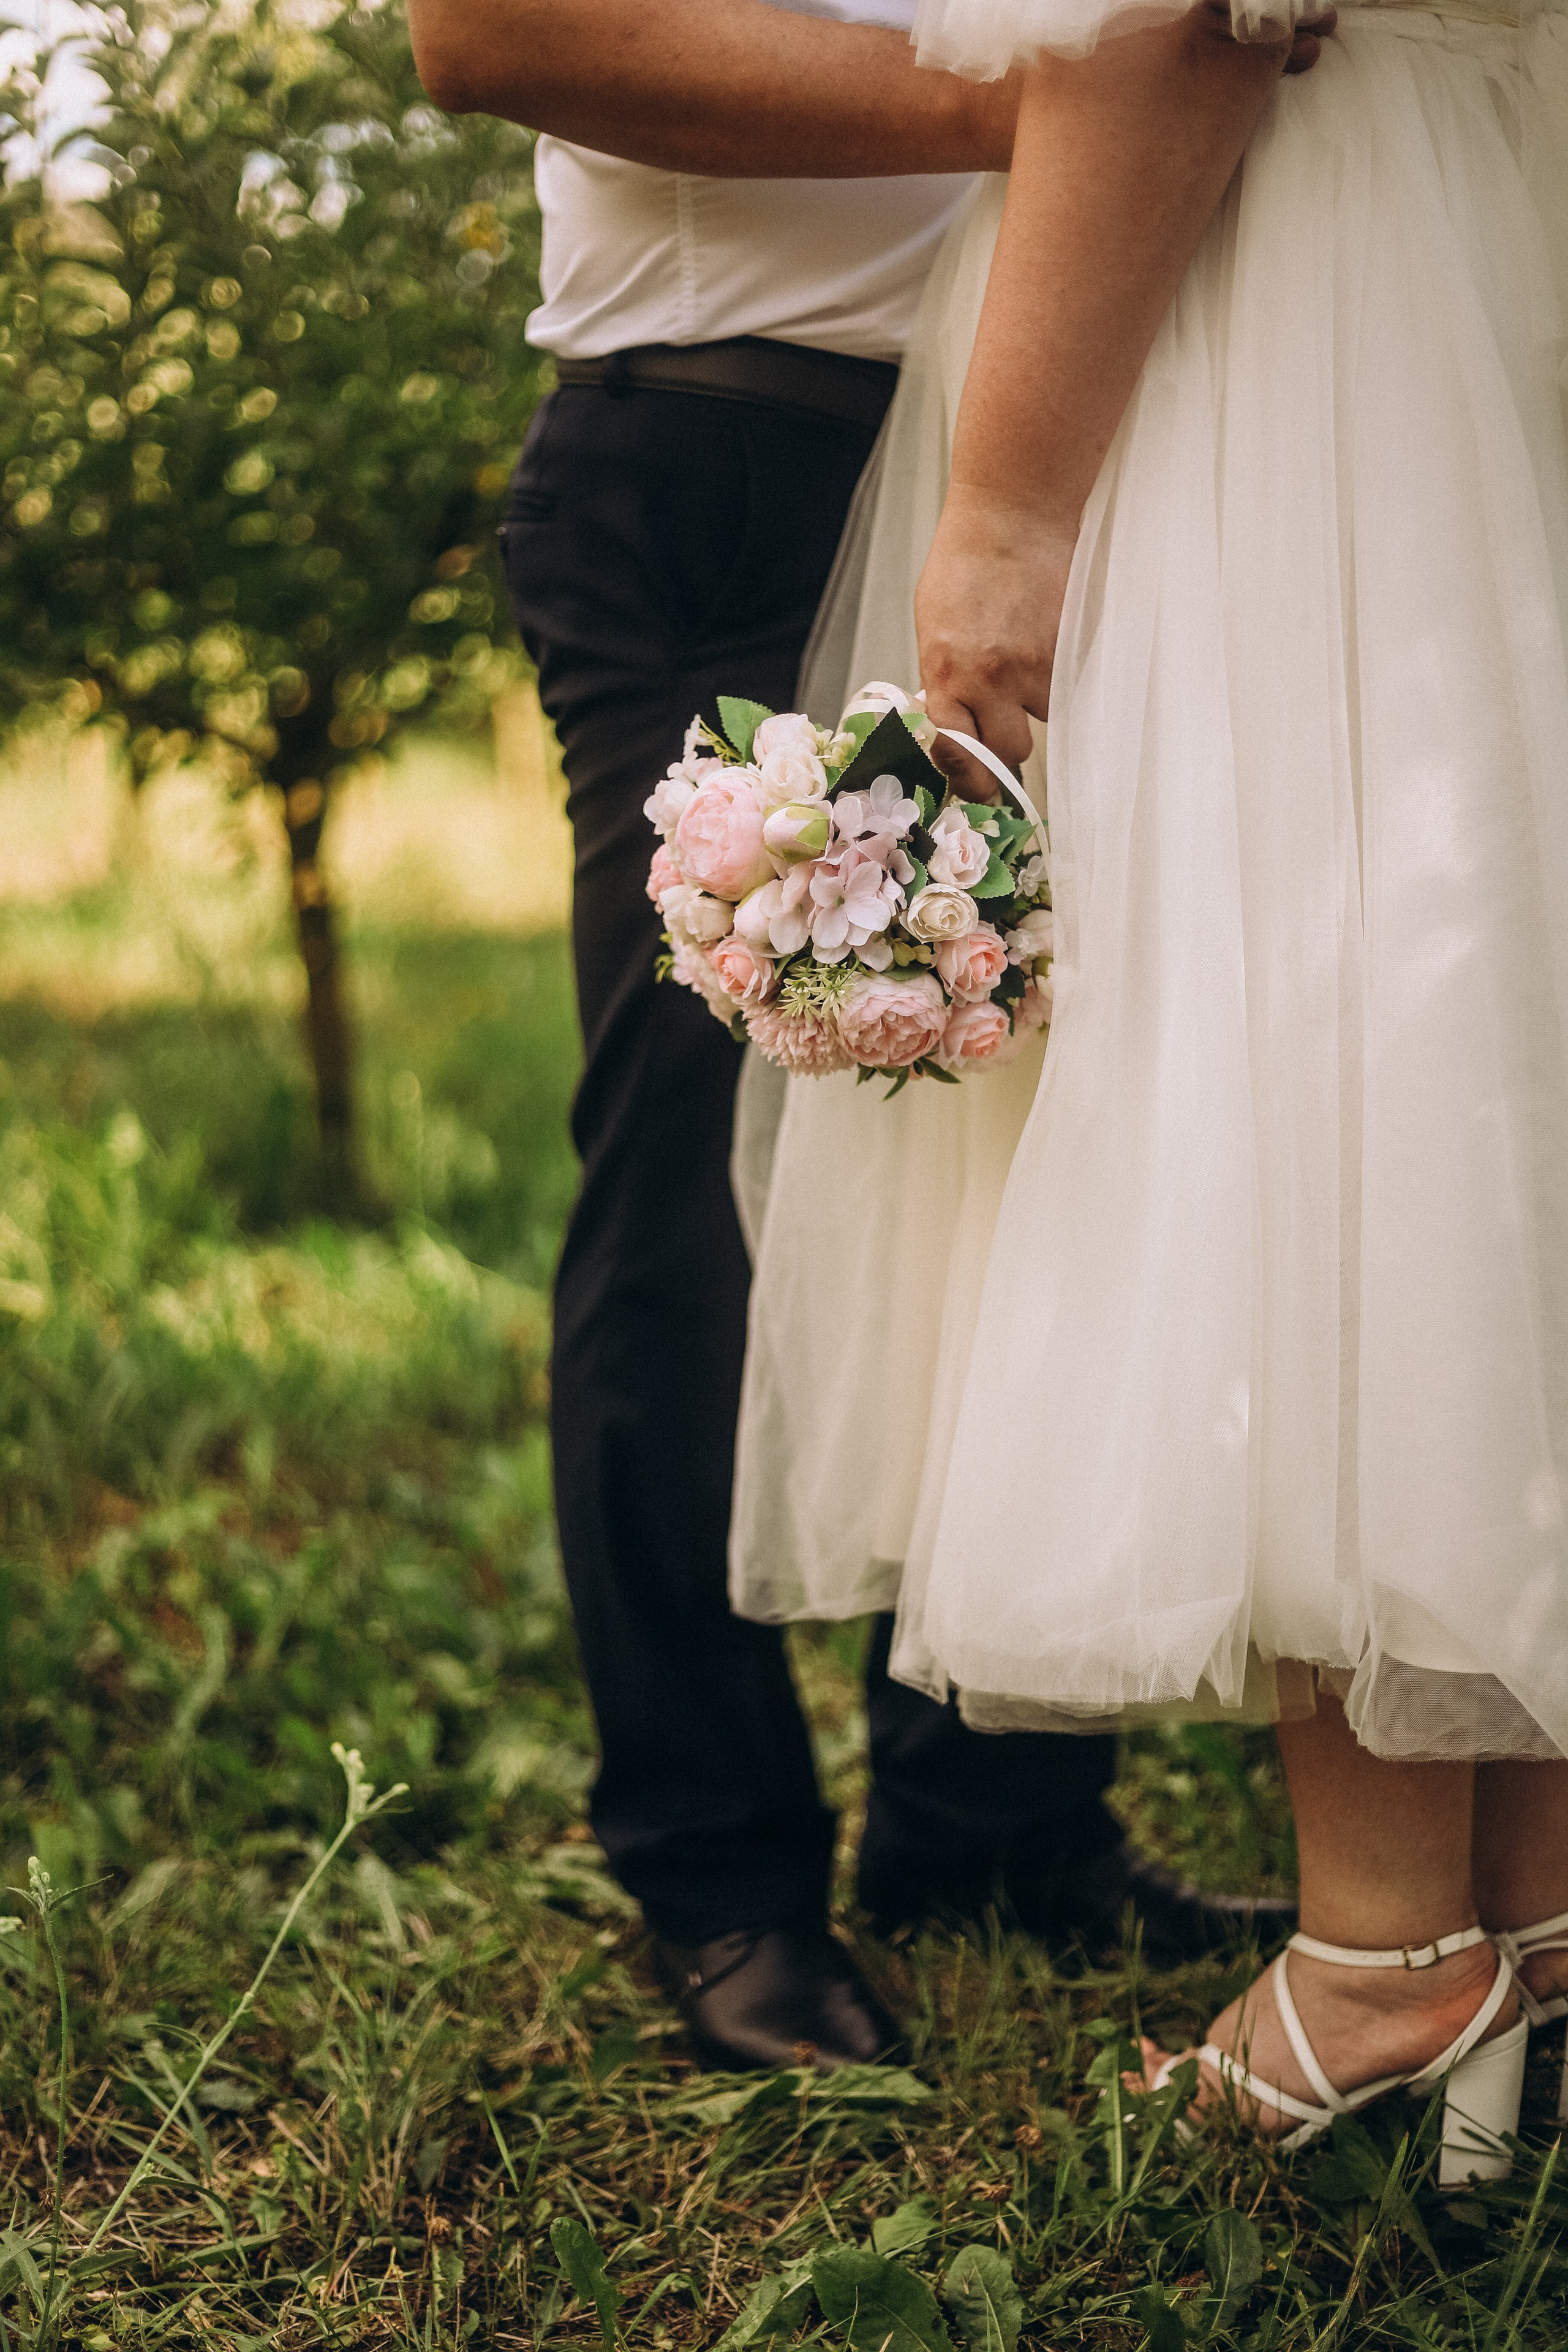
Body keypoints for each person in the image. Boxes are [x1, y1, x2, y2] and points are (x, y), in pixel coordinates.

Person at [407, 0, 1298, 2075]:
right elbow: (491, 30)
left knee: (1019, 1147)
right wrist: (1083, 102)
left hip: (1083, 429)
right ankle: (717, 1870)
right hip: (738, 447)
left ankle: (993, 1819)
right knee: (697, 1177)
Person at [730, 0, 1568, 2164]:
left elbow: (1180, 24)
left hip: (1292, 308)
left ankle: (1389, 1963)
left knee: (1327, 1042)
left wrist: (1005, 512)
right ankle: (1540, 1913)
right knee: (1495, 1056)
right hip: (1492, 247)